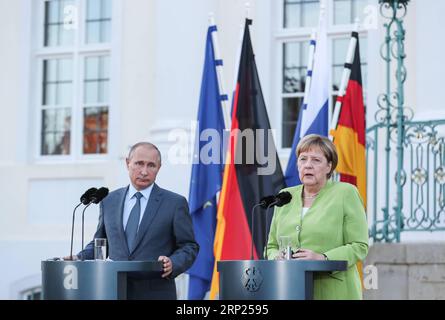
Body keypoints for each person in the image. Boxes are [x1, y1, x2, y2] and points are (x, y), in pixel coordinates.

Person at [73, 142, 199, 299]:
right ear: (127, 163)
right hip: (113, 291)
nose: (144, 171)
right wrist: (78, 257)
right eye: (139, 163)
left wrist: (173, 262)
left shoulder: (175, 203)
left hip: (156, 294)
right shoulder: (108, 201)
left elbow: (189, 246)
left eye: (151, 165)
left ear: (159, 168)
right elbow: (100, 243)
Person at [266, 134, 368, 300]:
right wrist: (276, 257)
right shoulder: (285, 196)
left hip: (334, 291)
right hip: (290, 290)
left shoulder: (346, 193)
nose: (308, 165)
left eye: (315, 160)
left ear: (329, 166)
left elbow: (359, 245)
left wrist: (323, 258)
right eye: (303, 159)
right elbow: (271, 246)